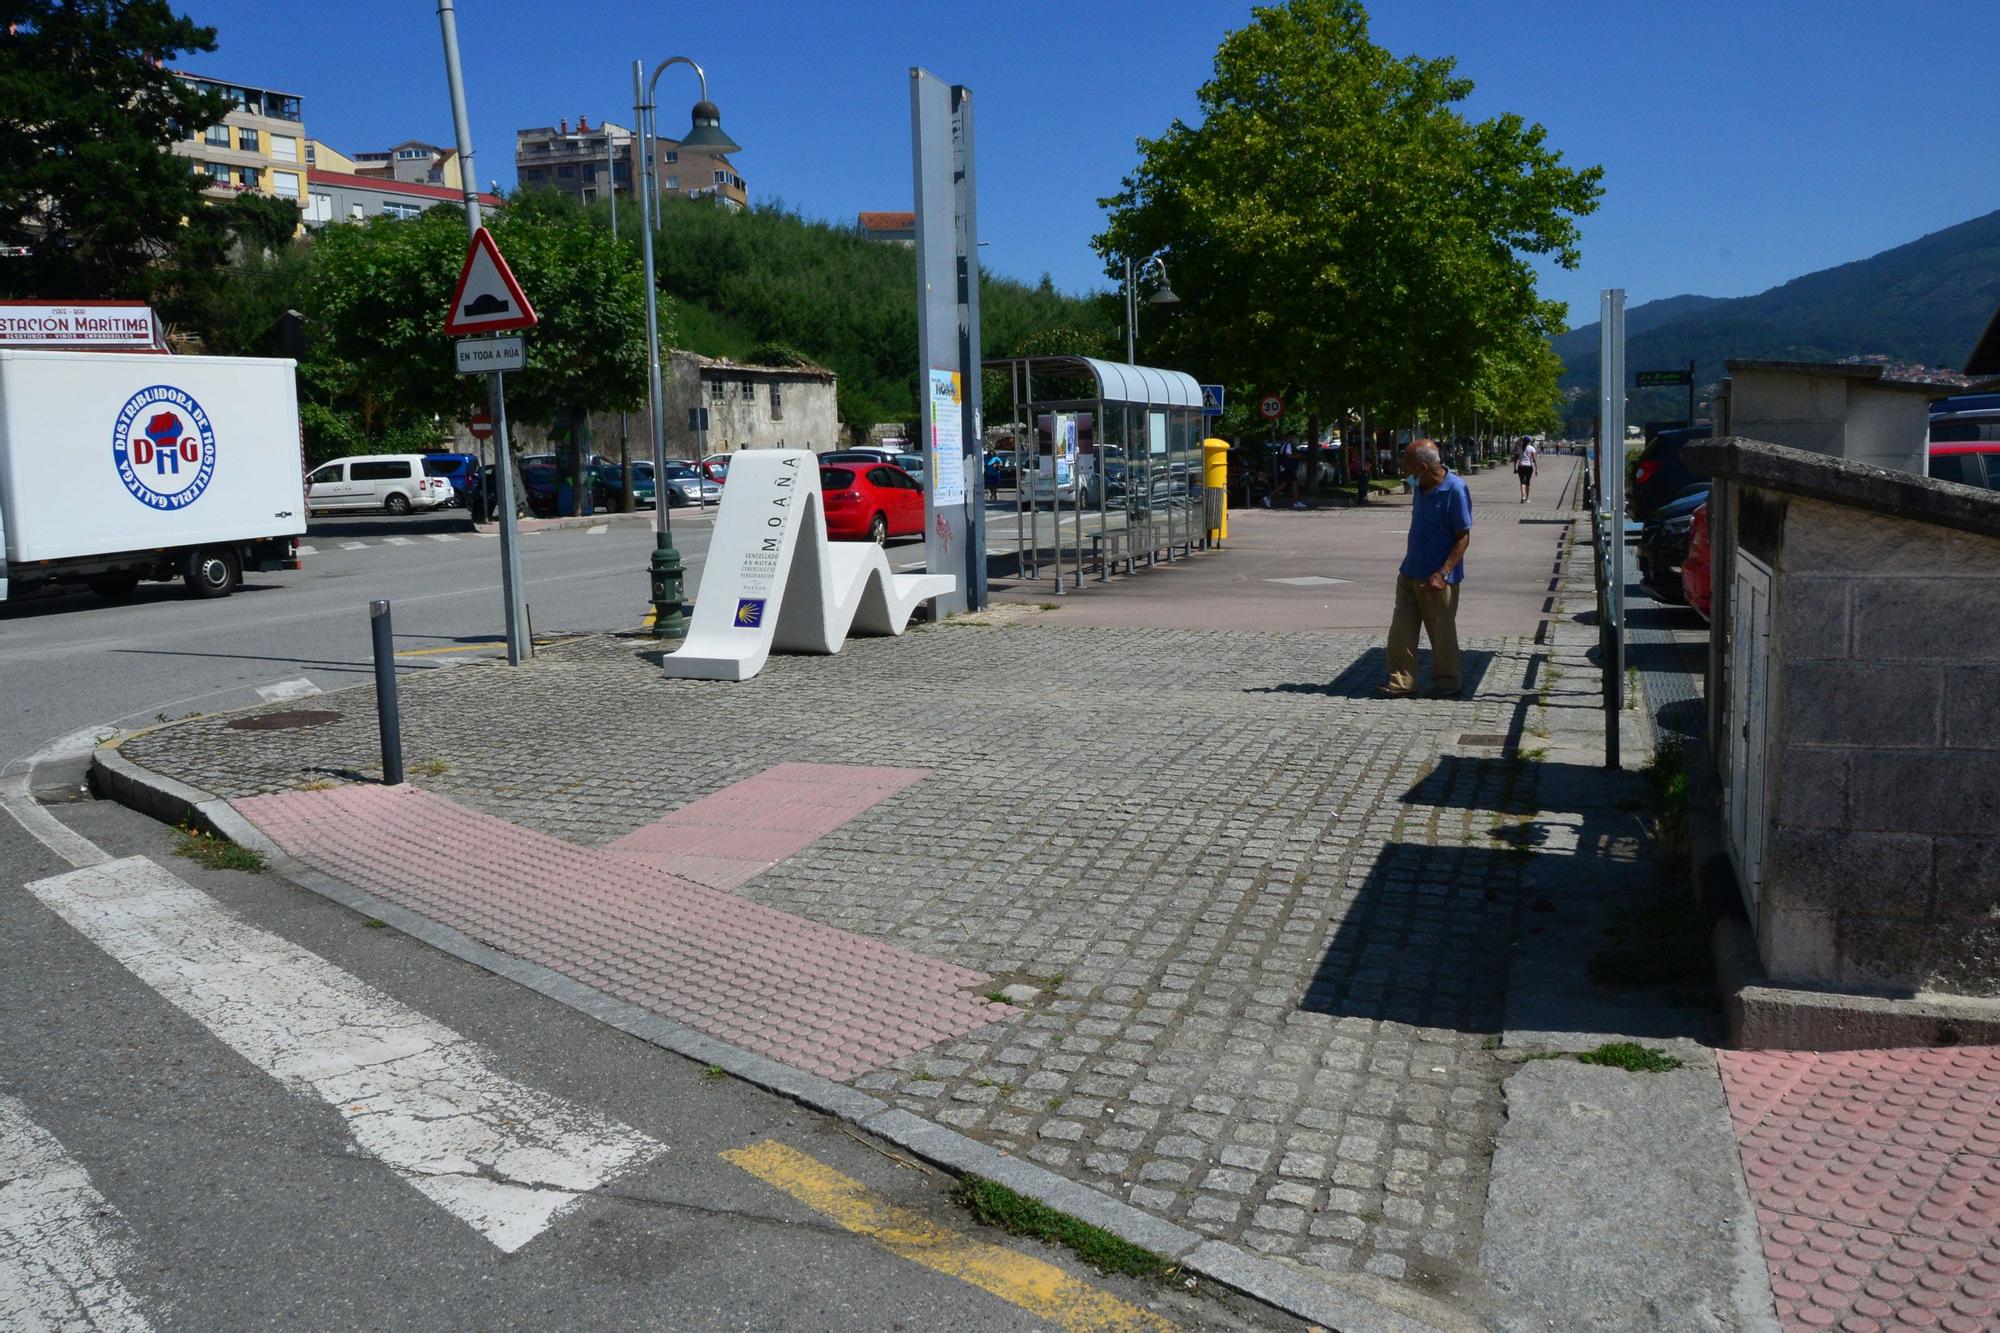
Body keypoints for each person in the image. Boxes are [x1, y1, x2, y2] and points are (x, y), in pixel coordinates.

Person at [1375, 440, 1471, 700]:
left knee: (1442, 634)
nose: (1404, 473)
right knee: (1400, 632)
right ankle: (1401, 681)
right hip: (1410, 571)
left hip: (1437, 578)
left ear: (1423, 467)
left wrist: (1443, 572)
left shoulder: (1455, 490)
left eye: (1407, 467)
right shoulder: (1421, 487)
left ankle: (1447, 682)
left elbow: (1463, 537)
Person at [1515, 437, 1539, 503]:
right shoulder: (1531, 448)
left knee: (1522, 482)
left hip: (1521, 466)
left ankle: (1523, 496)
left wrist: (1515, 468)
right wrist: (1536, 469)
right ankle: (1527, 498)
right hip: (1529, 466)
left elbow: (1516, 458)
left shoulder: (1519, 448)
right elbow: (1534, 459)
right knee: (1527, 482)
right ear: (1529, 442)